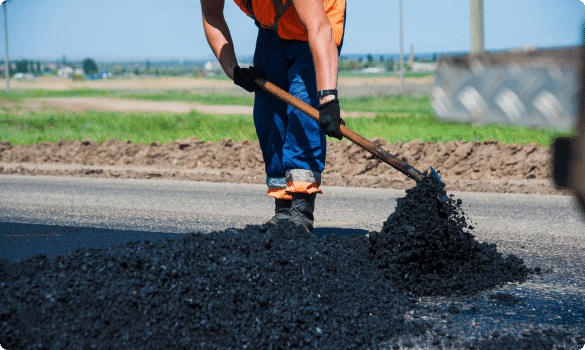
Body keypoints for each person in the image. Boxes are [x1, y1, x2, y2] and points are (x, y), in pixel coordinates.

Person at [200, 0, 346, 234]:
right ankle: (283, 212)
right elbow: (212, 16)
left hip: (316, 20)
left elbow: (319, 28)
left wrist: (328, 100)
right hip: (272, 27)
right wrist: (234, 71)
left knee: (303, 112)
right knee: (269, 115)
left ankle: (301, 212)